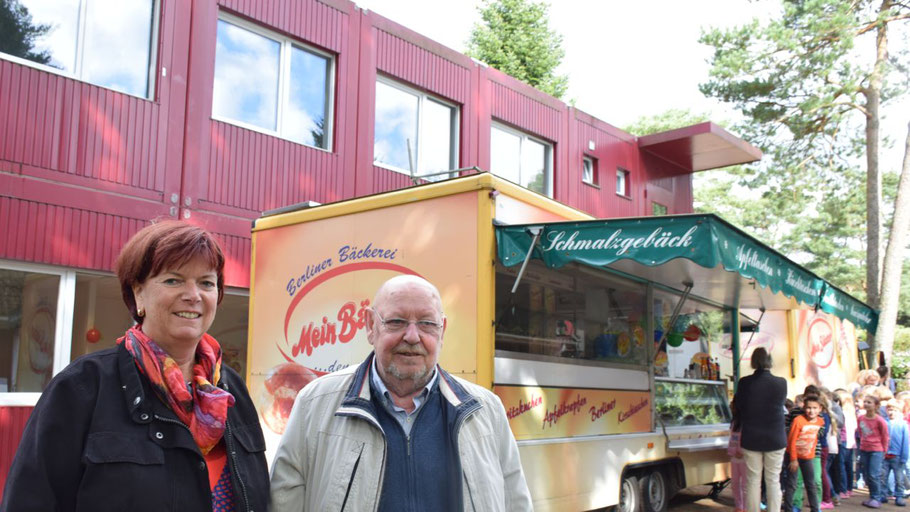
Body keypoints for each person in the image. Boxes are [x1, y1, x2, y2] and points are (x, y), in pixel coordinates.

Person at [0, 221, 269, 511]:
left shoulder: (231, 392)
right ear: (138, 293)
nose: (193, 295)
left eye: (206, 283)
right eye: (173, 280)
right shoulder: (82, 386)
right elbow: (30, 501)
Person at [269, 275, 533, 511]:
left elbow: (516, 502)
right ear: (371, 325)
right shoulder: (314, 404)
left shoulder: (486, 411)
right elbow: (283, 501)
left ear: (442, 331)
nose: (412, 336)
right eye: (396, 322)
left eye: (427, 324)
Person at [733, 347, 788, 512]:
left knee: (753, 481)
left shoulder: (744, 382)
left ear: (753, 361)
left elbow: (739, 407)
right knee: (773, 480)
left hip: (751, 437)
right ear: (769, 361)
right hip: (776, 438)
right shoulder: (781, 383)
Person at [783, 394, 824, 512]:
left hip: (807, 457)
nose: (811, 411)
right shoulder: (798, 420)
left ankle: (815, 508)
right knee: (792, 483)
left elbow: (814, 438)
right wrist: (793, 459)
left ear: (820, 408)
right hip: (793, 455)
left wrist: (811, 455)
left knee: (811, 484)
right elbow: (792, 440)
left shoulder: (820, 421)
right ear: (804, 408)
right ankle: (789, 509)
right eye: (809, 407)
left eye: (815, 408)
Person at [858, 394, 890, 508]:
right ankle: (872, 497)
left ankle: (877, 497)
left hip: (876, 450)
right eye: (865, 402)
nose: (866, 404)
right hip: (864, 449)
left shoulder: (880, 420)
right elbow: (861, 432)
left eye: (869, 402)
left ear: (876, 406)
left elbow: (885, 436)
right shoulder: (861, 418)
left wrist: (884, 451)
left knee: (874, 474)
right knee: (866, 474)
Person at [883, 399, 908, 506]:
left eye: (894, 410)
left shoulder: (902, 425)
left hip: (897, 456)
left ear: (899, 411)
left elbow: (905, 442)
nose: (891, 412)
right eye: (889, 409)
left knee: (899, 479)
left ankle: (899, 496)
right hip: (884, 455)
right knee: (883, 477)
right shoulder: (884, 422)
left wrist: (904, 456)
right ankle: (883, 495)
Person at [728, 400, 746, 512]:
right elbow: (731, 439)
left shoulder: (746, 422)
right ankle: (739, 506)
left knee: (745, 485)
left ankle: (746, 507)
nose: (731, 406)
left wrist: (742, 451)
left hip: (744, 457)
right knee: (734, 483)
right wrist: (732, 451)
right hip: (734, 456)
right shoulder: (734, 422)